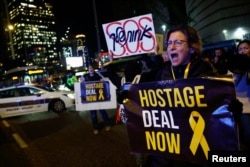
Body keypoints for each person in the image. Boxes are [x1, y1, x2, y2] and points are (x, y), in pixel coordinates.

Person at [142, 25, 242, 167]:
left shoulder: (206, 74)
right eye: (169, 43)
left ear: (192, 47)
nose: (172, 47)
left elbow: (220, 118)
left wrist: (231, 112)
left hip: (195, 154)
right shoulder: (161, 72)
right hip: (165, 153)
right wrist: (127, 99)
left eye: (178, 42)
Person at [230, 39, 250, 151]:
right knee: (247, 134)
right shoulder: (234, 64)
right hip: (244, 107)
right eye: (240, 49)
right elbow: (231, 83)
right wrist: (239, 71)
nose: (243, 51)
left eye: (246, 48)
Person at [83, 65, 111, 135]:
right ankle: (95, 128)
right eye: (89, 68)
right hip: (91, 99)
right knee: (93, 114)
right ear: (88, 70)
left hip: (98, 98)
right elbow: (82, 86)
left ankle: (107, 124)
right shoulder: (86, 77)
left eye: (92, 68)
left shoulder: (98, 76)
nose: (91, 69)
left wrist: (102, 81)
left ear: (93, 69)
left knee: (103, 112)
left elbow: (103, 82)